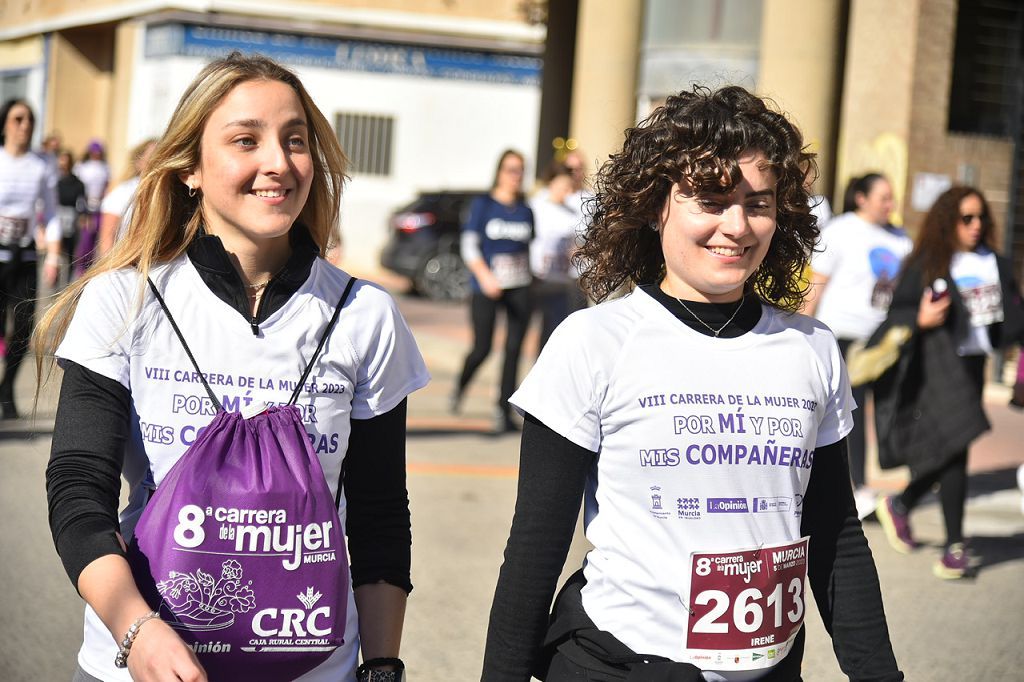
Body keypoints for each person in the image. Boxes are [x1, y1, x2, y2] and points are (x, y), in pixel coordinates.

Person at [482, 85, 902, 681]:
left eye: (758, 203)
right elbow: (534, 551)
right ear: (657, 205)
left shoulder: (813, 349)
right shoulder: (593, 341)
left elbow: (837, 539)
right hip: (618, 664)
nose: (737, 226)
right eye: (710, 199)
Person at [38, 52, 428, 681]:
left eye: (295, 140)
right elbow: (79, 490)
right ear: (190, 166)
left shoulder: (365, 315)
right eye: (246, 140)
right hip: (144, 663)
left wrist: (382, 666)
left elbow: (382, 514)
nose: (277, 162)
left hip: (314, 666)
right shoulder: (124, 298)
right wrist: (137, 631)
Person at [873, 186, 1024, 579]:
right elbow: (898, 312)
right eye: (966, 219)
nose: (976, 227)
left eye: (981, 219)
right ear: (947, 221)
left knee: (953, 443)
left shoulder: (997, 263)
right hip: (937, 364)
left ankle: (902, 502)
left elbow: (1014, 317)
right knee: (956, 447)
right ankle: (954, 547)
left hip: (974, 364)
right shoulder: (930, 262)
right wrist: (918, 320)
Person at [801, 173, 912, 519]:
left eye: (892, 198)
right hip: (844, 334)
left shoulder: (901, 239)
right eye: (883, 197)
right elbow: (817, 283)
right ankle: (857, 488)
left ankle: (871, 484)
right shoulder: (841, 231)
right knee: (849, 413)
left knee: (888, 410)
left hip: (885, 338)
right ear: (861, 198)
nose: (890, 204)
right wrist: (802, 332)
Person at [453, 149, 534, 433]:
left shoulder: (526, 209)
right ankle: (461, 383)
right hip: (486, 286)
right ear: (499, 172)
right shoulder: (484, 205)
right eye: (511, 169)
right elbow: (469, 245)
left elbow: (529, 248)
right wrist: (484, 276)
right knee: (483, 348)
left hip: (519, 286)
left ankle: (503, 409)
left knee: (514, 349)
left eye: (521, 170)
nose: (516, 176)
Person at [0, 98, 61, 419]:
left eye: (29, 120)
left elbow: (49, 212)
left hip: (24, 255)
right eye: (18, 119)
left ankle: (7, 390)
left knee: (24, 327)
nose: (24, 126)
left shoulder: (40, 165)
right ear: (5, 123)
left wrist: (52, 255)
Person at [529, 162, 581, 349]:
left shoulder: (572, 214)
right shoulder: (535, 207)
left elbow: (575, 245)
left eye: (570, 188)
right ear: (551, 184)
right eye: (563, 187)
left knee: (552, 335)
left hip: (560, 282)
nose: (567, 192)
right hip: (536, 279)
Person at [96, 138, 157, 257]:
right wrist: (111, 270)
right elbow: (107, 238)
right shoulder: (122, 192)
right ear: (139, 162)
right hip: (126, 264)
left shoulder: (170, 192)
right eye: (153, 156)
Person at [72, 138, 111, 277]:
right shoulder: (82, 167)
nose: (96, 154)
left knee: (98, 238)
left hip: (99, 208)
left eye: (98, 152)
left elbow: (107, 186)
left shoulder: (105, 168)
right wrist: (82, 210)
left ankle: (91, 267)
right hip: (86, 208)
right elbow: (78, 189)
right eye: (94, 151)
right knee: (86, 238)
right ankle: (80, 267)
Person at [55, 149, 88, 284]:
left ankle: (67, 282)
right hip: (57, 218)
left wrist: (83, 217)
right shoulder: (55, 181)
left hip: (71, 219)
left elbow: (81, 202)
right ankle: (55, 282)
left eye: (66, 161)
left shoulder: (78, 183)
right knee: (56, 252)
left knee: (70, 253)